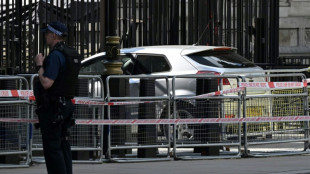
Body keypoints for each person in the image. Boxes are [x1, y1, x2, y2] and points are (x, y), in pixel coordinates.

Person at [34, 22, 80, 174]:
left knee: (52, 148)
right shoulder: (69, 53)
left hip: (53, 107)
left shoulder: (55, 56)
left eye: (47, 33)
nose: (45, 36)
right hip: (66, 105)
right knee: (64, 145)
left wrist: (40, 65)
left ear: (54, 35)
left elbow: (47, 83)